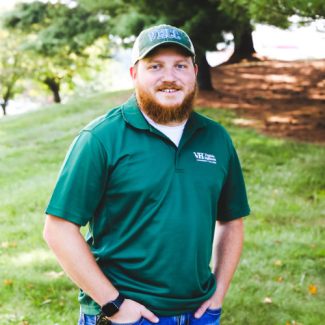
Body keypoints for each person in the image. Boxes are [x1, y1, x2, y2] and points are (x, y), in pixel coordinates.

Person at [43, 24, 250, 325]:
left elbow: (231, 220)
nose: (169, 77)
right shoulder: (101, 138)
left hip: (199, 314)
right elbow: (59, 229)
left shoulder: (216, 138)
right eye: (155, 66)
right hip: (125, 315)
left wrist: (217, 294)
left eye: (180, 65)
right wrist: (114, 304)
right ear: (134, 74)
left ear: (194, 71)